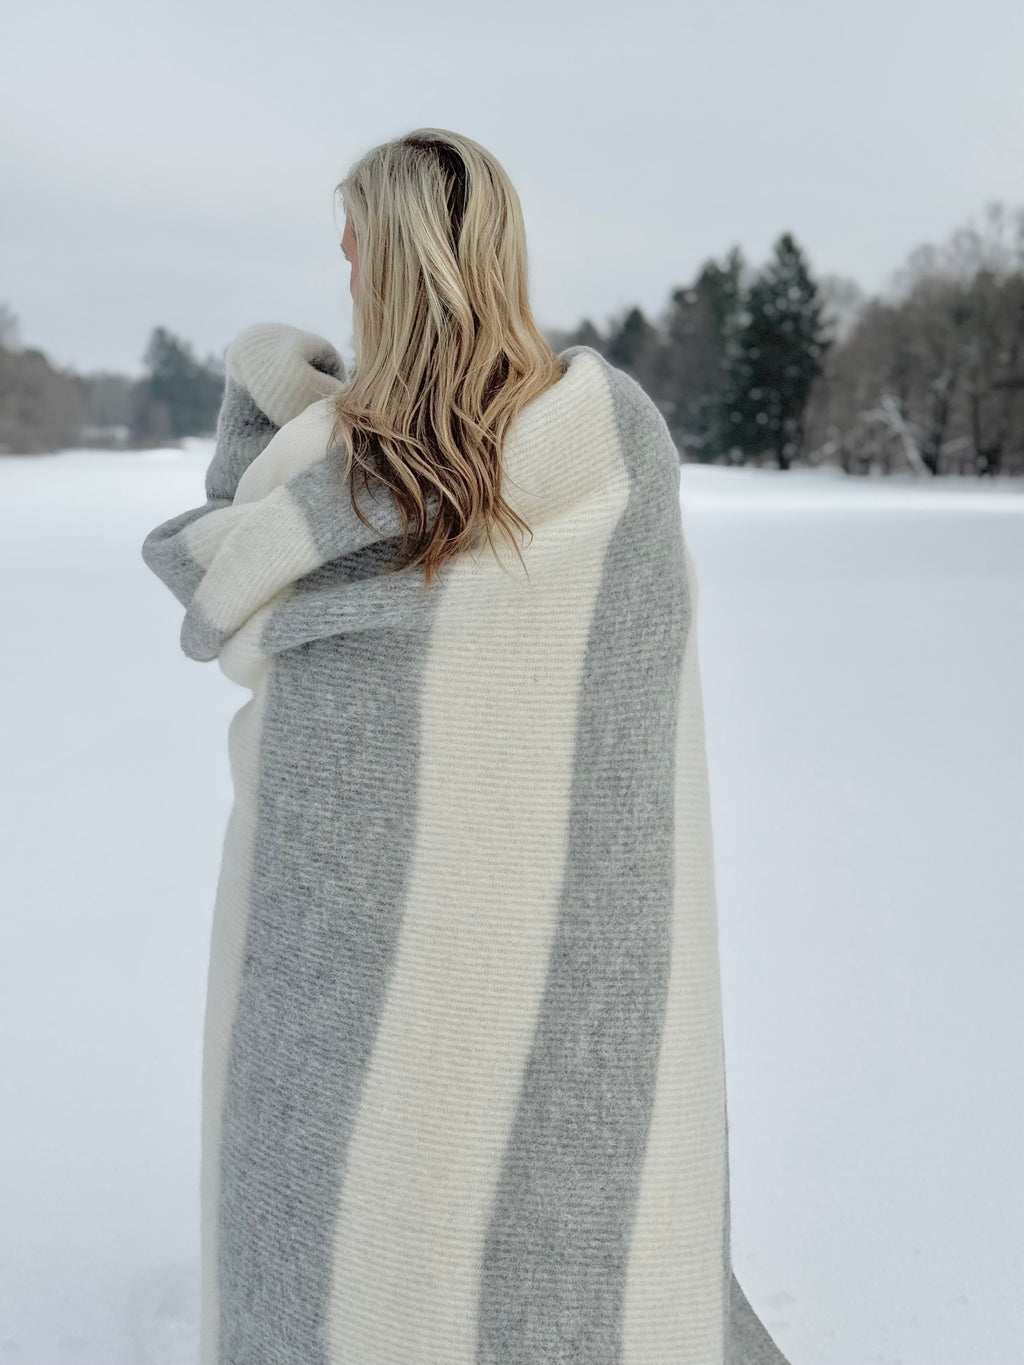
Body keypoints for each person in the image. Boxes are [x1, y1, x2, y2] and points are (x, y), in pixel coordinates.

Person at [141, 126, 792, 1365]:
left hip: (340, 888)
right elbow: (631, 679)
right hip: (554, 897)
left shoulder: (321, 462)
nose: (339, 269)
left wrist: (273, 400)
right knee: (550, 1125)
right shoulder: (610, 436)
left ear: (385, 258)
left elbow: (231, 586)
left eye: (350, 246)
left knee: (339, 1136)